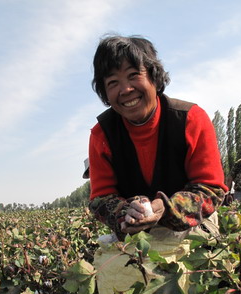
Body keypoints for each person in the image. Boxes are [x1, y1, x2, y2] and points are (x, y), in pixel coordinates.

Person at [87, 35, 227, 241]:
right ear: (105, 92)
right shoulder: (102, 135)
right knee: (115, 270)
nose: (126, 90)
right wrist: (126, 212)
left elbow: (210, 189)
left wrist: (166, 208)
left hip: (191, 229)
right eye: (113, 82)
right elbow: (100, 199)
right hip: (135, 235)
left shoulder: (191, 119)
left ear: (154, 77)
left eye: (134, 75)